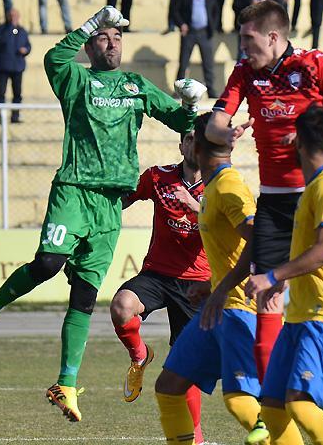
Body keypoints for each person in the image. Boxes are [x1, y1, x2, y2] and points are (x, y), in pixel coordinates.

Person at [0, 6, 203, 423]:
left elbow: (181, 123)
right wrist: (90, 22)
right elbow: (52, 58)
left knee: (86, 297)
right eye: (103, 37)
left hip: (110, 203)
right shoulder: (76, 79)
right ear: (89, 47)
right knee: (48, 263)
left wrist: (191, 103)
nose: (112, 44)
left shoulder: (136, 86)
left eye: (117, 37)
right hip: (74, 190)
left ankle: (66, 385)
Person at [206, 0, 323, 437]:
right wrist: (225, 132)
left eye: (248, 39)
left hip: (314, 196)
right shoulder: (245, 72)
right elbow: (214, 124)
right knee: (267, 295)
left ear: (273, 37)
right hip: (273, 202)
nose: (242, 48)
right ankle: (271, 411)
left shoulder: (313, 64)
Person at [154, 112, 267, 445]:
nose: (187, 143)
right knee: (169, 387)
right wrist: (211, 285)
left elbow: (259, 241)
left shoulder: (229, 186)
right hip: (216, 307)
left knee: (240, 401)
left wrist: (226, 285)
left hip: (239, 308)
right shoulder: (213, 185)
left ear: (199, 147)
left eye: (192, 137)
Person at [244, 107, 323, 445]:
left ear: (299, 143)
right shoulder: (315, 187)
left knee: (300, 404)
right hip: (300, 316)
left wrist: (272, 275)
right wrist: (286, 275)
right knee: (272, 407)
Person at [109, 132, 207, 444]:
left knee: (185, 364)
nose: (194, 144)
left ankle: (196, 436)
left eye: (201, 140)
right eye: (189, 138)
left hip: (197, 282)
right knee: (121, 306)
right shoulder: (157, 177)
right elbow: (122, 201)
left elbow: (233, 225)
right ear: (181, 145)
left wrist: (197, 206)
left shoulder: (221, 185)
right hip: (157, 273)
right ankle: (140, 355)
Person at [172, 0, 220, 98]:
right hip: (189, 32)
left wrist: (213, 27)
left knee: (208, 63)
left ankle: (211, 90)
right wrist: (181, 24)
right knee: (183, 62)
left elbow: (215, 11)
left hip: (205, 32)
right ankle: (179, 91)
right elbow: (175, 10)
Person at [0, 8, 31, 124]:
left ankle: (15, 116)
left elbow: (28, 45)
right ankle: (1, 117)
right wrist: (12, 27)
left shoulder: (22, 31)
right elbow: (4, 40)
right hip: (3, 67)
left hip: (17, 67)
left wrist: (25, 50)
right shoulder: (1, 29)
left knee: (17, 94)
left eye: (15, 15)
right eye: (11, 15)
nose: (13, 18)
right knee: (1, 93)